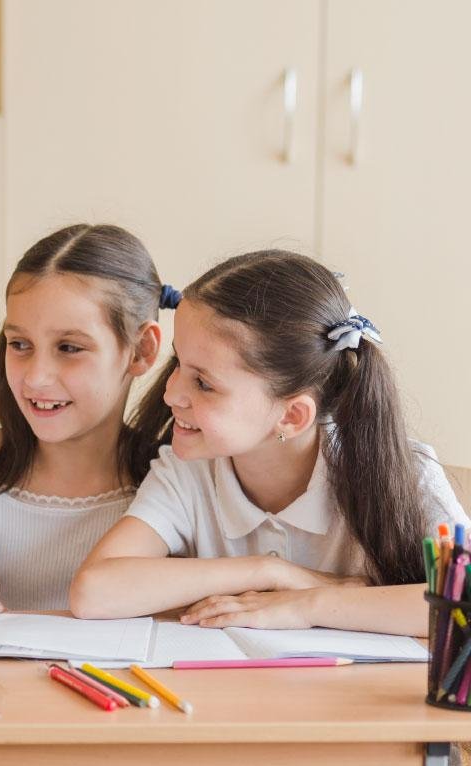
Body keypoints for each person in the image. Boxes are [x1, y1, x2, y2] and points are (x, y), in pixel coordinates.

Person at [69, 250, 468, 635]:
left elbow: (463, 602)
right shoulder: (186, 470)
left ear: (291, 417)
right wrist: (269, 572)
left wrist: (305, 604)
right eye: (177, 364)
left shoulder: (404, 472)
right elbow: (94, 592)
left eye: (204, 383)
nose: (171, 393)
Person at [0, 224, 169, 610]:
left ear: (141, 351)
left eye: (69, 347)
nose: (35, 376)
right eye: (20, 344)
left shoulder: (175, 488)